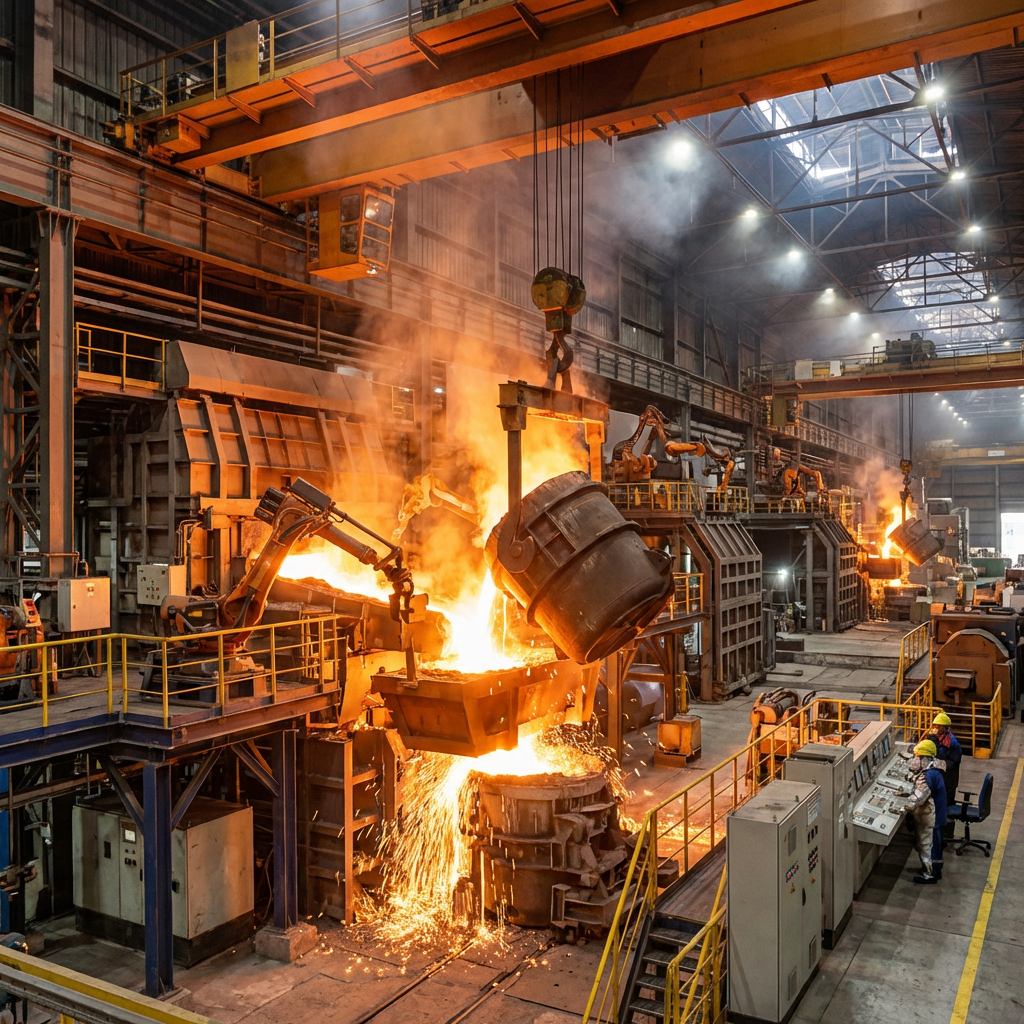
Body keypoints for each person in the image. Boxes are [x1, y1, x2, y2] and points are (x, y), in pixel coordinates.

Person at [902, 739, 948, 884]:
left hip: (932, 819)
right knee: (932, 844)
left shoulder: (928, 775)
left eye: (917, 757)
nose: (915, 760)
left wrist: (901, 806)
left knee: (927, 845)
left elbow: (918, 799)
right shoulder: (934, 769)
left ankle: (930, 875)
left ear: (924, 758)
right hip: (936, 815)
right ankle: (932, 870)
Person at [926, 712, 962, 839]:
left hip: (948, 782)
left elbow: (952, 762)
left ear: (945, 727)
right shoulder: (938, 739)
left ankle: (947, 835)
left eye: (939, 726)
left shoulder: (952, 743)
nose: (936, 728)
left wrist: (937, 762)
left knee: (946, 808)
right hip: (940, 780)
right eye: (935, 725)